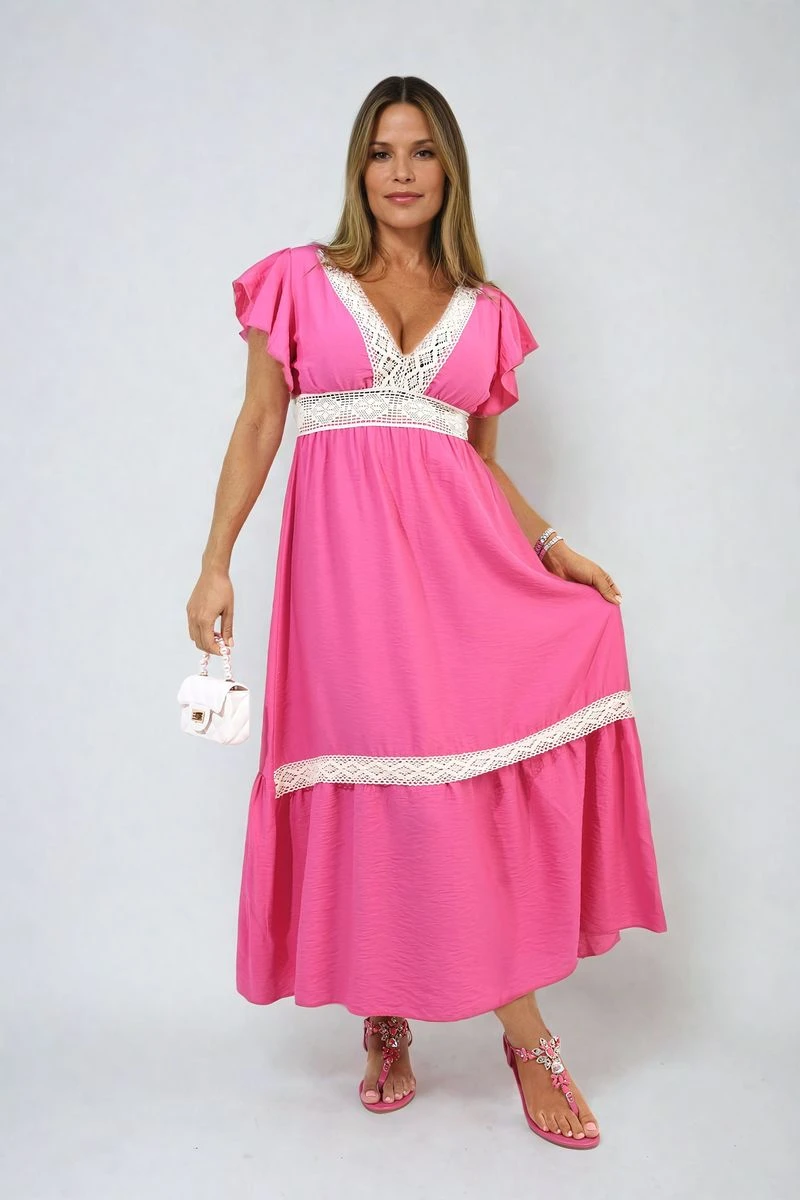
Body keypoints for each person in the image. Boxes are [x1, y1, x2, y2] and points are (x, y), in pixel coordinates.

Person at [185, 75, 667, 1150]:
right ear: (358, 169)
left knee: (456, 784)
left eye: (420, 152)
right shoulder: (299, 280)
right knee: (386, 788)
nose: (399, 173)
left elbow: (478, 467)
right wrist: (215, 564)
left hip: (458, 584)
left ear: (449, 168)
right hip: (343, 593)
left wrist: (553, 546)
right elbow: (259, 424)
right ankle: (394, 1010)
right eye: (381, 152)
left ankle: (517, 1034)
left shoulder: (486, 313)